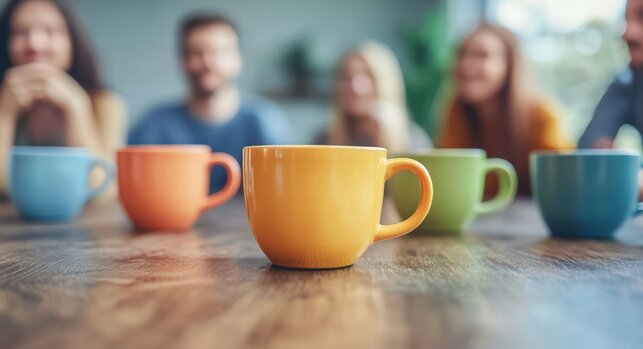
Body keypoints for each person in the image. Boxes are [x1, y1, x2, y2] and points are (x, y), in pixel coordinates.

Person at [129, 13, 290, 193]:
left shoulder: (264, 121)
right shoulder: (154, 124)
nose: (207, 62)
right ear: (183, 61)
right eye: (196, 52)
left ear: (238, 60)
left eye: (219, 52)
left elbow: (283, 188)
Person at [0, 0, 125, 195]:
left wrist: (76, 106)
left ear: (72, 42)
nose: (35, 43)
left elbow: (102, 189)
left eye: (50, 31)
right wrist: (5, 113)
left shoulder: (105, 103)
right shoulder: (3, 102)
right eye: (19, 33)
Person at [438, 23, 574, 195]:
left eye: (482, 55)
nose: (466, 64)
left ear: (509, 66)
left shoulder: (542, 115)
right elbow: (449, 179)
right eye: (463, 54)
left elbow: (564, 180)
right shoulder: (457, 112)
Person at [579, 0, 643, 199]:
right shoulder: (628, 84)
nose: (627, 33)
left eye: (642, 17)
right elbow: (589, 158)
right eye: (626, 19)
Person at [320, 41, 432, 153]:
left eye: (367, 76)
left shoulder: (414, 141)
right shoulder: (324, 141)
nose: (354, 87)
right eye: (347, 77)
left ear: (385, 84)